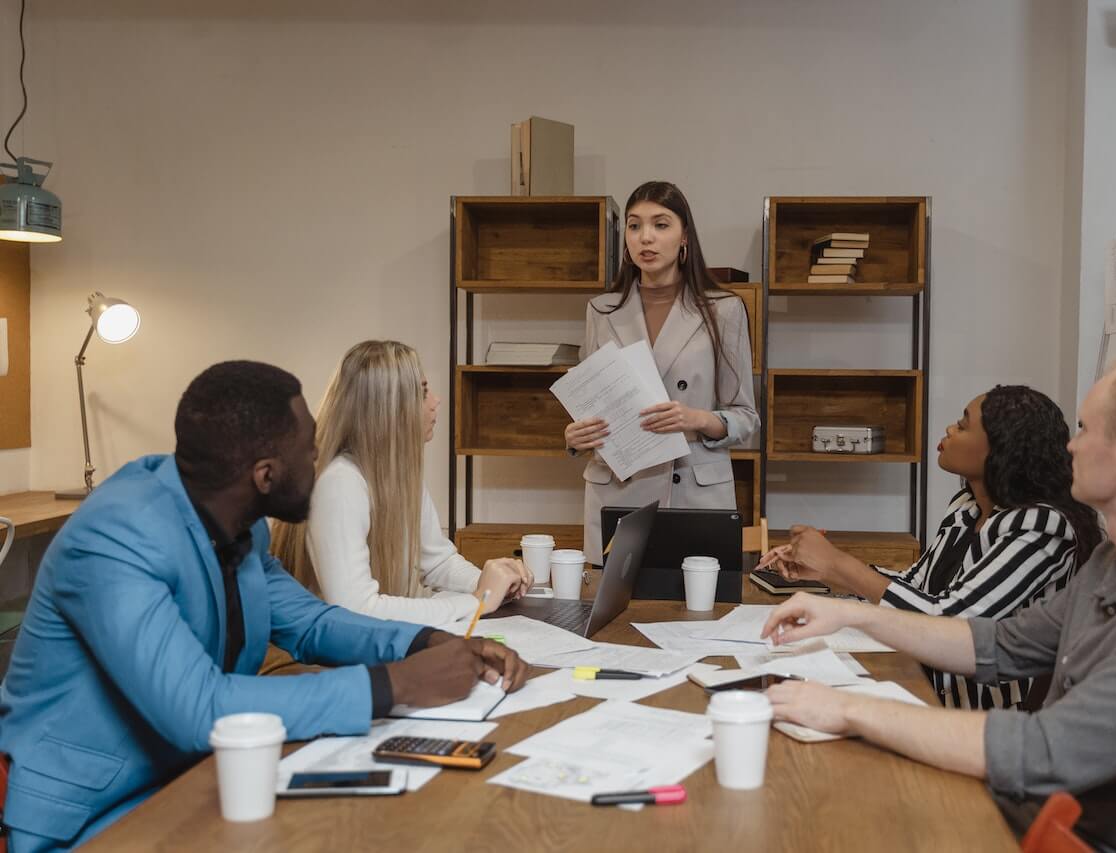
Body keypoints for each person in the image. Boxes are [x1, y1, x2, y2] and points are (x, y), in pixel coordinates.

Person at [0, 361, 529, 852]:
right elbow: (198, 709)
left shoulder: (237, 522)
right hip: (96, 815)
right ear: (265, 474)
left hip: (204, 780)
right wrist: (397, 684)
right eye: (310, 451)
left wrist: (424, 643)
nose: (320, 461)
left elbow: (312, 623)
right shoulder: (115, 538)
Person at [760, 354, 1116, 851]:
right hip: (1035, 810)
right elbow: (997, 643)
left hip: (1070, 836)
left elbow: (1045, 753)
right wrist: (850, 611)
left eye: (1084, 429)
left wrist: (849, 709)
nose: (1070, 447)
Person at [757, 385, 1102, 708]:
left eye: (964, 426)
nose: (950, 430)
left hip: (987, 717)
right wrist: (827, 576)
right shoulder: (967, 508)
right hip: (928, 689)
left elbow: (951, 623)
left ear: (1001, 448)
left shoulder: (1041, 526)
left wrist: (839, 564)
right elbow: (914, 587)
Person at [565, 181, 759, 564]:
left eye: (661, 224)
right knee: (611, 620)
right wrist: (575, 436)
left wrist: (696, 418)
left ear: (684, 236)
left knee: (694, 619)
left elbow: (746, 418)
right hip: (618, 493)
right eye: (635, 226)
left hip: (692, 492)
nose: (645, 238)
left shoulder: (724, 310)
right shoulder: (601, 311)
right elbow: (591, 403)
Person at [271, 340, 531, 625]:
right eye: (422, 392)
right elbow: (357, 608)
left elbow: (439, 563)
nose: (436, 401)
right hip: (331, 654)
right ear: (390, 408)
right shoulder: (340, 484)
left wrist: (494, 583)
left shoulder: (397, 474)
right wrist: (477, 600)